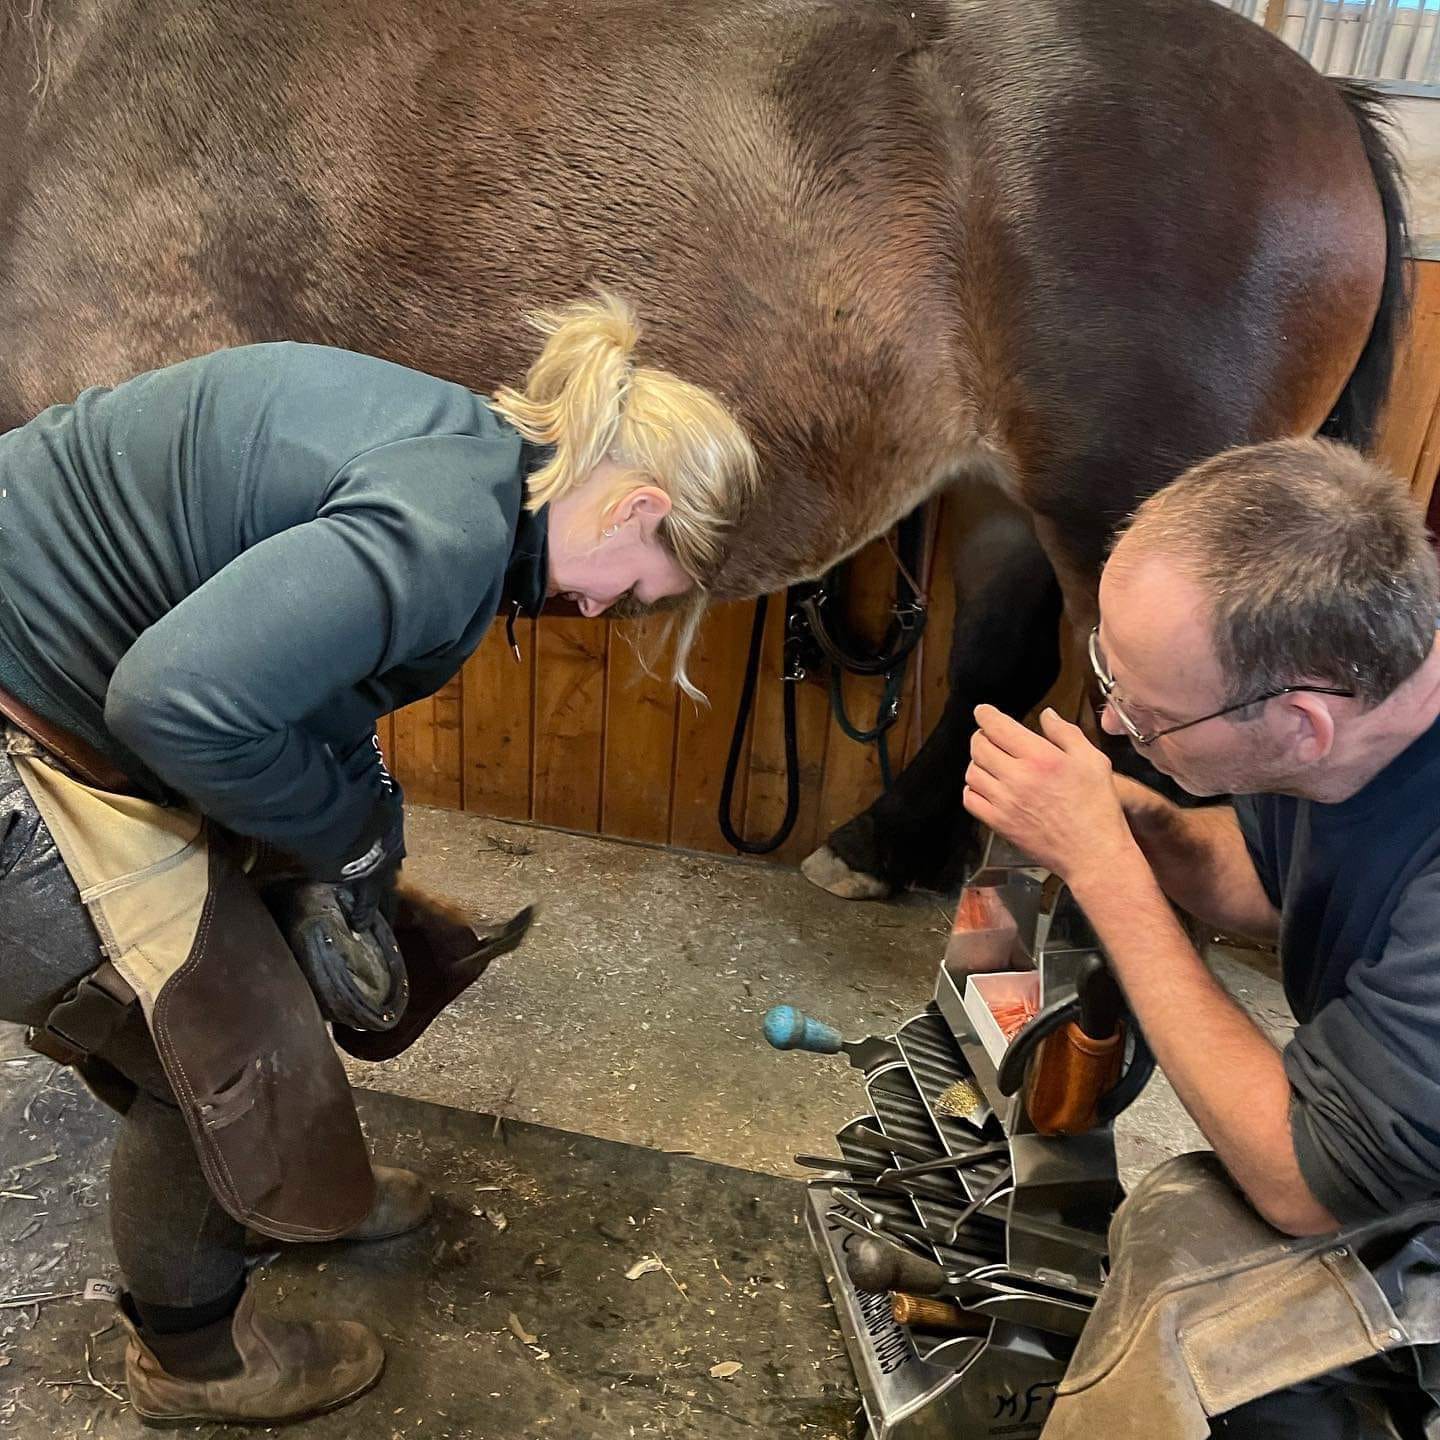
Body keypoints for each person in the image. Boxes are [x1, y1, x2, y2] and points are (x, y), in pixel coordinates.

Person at [0, 291, 757, 1425]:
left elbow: (301, 689)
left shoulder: (455, 454)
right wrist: (348, 843)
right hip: (22, 737)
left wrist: (360, 847)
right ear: (637, 509)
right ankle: (198, 1360)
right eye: (633, 592)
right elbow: (176, 704)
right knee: (213, 1040)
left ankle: (278, 1196)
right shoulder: (448, 528)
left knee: (261, 953)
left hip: (43, 690)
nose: (598, 610)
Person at [963, 437, 1440, 1437]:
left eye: (1151, 712)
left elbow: (1305, 1184)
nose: (1113, 718)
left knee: (1233, 1363)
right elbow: (1279, 883)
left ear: (1303, 724)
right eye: (1111, 673)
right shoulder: (1369, 706)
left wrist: (1105, 870)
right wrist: (1141, 826)